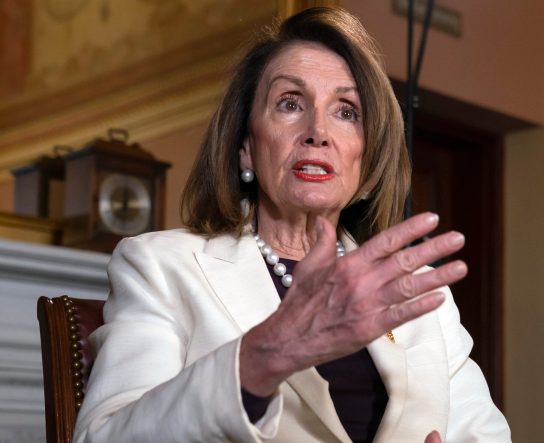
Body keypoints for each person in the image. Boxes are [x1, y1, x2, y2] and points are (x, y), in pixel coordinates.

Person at [73, 7, 510, 443]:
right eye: (290, 104)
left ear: (367, 156)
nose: (317, 131)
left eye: (346, 111)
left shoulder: (422, 293)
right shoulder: (160, 266)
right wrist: (268, 352)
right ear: (246, 146)